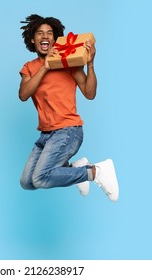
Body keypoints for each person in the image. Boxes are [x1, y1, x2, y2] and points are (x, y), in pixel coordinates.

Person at [18, 14, 119, 201]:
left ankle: (96, 171)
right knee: (27, 182)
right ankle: (73, 169)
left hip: (68, 131)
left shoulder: (67, 64)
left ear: (55, 39)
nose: (45, 36)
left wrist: (90, 63)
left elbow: (90, 94)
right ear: (32, 39)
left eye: (49, 33)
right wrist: (45, 67)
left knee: (40, 178)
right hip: (45, 135)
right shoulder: (29, 67)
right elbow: (24, 94)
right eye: (40, 33)